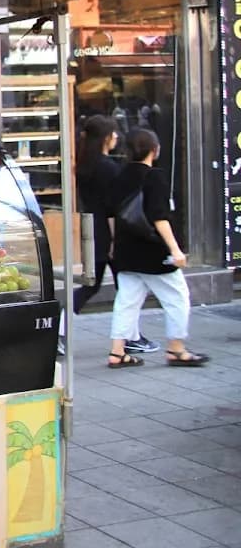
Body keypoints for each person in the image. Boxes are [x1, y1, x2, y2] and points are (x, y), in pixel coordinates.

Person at [104, 129, 208, 369]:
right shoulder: (154, 177)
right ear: (154, 149)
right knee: (177, 298)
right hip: (153, 252)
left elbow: (110, 215)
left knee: (126, 302)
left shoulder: (119, 176)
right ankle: (176, 349)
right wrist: (175, 249)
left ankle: (117, 352)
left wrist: (112, 244)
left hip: (125, 251)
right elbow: (159, 217)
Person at [73, 115, 158, 353]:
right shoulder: (108, 168)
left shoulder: (85, 165)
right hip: (109, 232)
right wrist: (113, 241)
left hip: (92, 229)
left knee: (93, 285)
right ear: (106, 137)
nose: (117, 137)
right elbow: (113, 207)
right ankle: (130, 337)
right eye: (114, 133)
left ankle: (59, 329)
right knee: (127, 288)